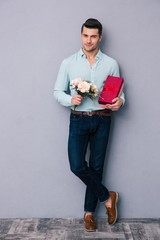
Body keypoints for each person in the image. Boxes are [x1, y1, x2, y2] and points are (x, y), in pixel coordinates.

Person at [54, 18, 125, 232]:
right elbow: (57, 91)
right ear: (81, 35)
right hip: (78, 118)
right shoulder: (68, 62)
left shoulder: (111, 64)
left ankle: (89, 214)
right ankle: (108, 197)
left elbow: (119, 92)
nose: (89, 40)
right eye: (85, 35)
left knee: (97, 167)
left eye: (93, 36)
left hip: (103, 118)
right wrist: (70, 100)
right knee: (77, 165)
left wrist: (121, 101)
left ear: (100, 38)